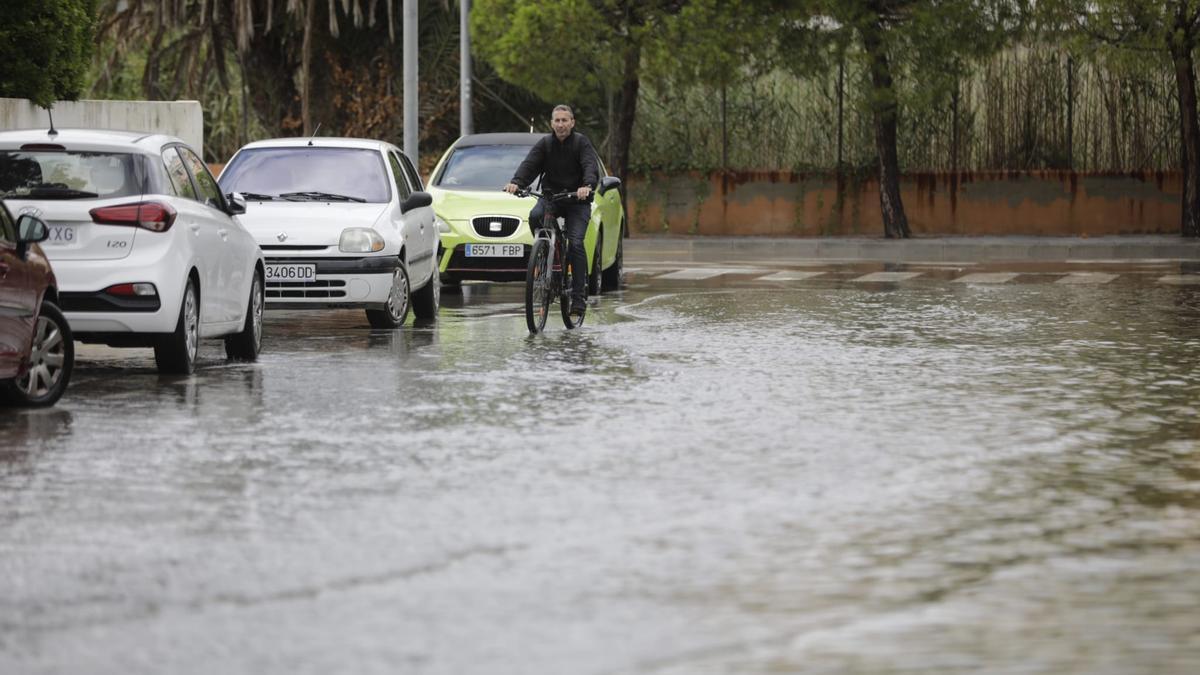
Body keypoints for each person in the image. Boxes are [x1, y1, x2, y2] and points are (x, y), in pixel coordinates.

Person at [504, 105, 599, 321]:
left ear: (572, 122)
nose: (561, 124)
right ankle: (548, 253)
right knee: (535, 216)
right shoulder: (545, 144)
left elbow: (589, 166)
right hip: (552, 197)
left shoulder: (581, 143)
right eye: (557, 120)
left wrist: (587, 185)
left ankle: (577, 297)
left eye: (565, 120)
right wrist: (516, 183)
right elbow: (529, 165)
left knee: (575, 243)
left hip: (577, 199)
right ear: (552, 123)